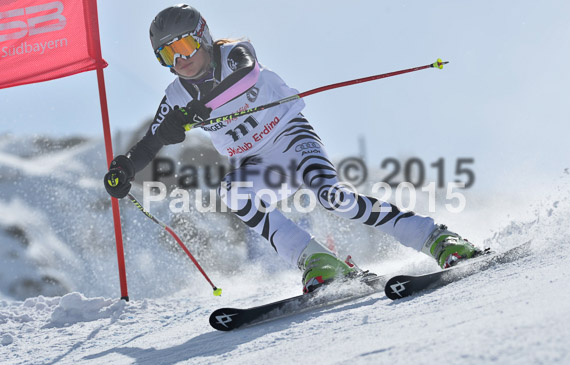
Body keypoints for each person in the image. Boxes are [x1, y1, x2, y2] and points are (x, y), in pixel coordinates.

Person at [104, 4, 481, 293]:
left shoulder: (232, 51)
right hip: (259, 164)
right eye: (169, 55)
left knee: (334, 198)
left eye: (185, 45)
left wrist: (201, 109)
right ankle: (317, 260)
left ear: (202, 37)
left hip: (293, 139)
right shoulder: (176, 98)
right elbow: (151, 142)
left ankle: (436, 237)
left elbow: (247, 74)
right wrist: (123, 168)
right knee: (232, 191)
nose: (182, 59)